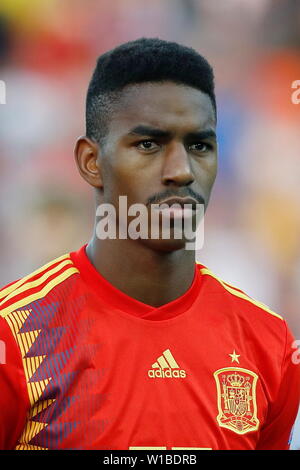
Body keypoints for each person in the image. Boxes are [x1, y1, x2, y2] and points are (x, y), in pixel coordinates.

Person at [0, 38, 299, 450]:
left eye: (199, 146)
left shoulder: (268, 341)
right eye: (148, 144)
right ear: (91, 162)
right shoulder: (13, 335)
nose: (181, 171)